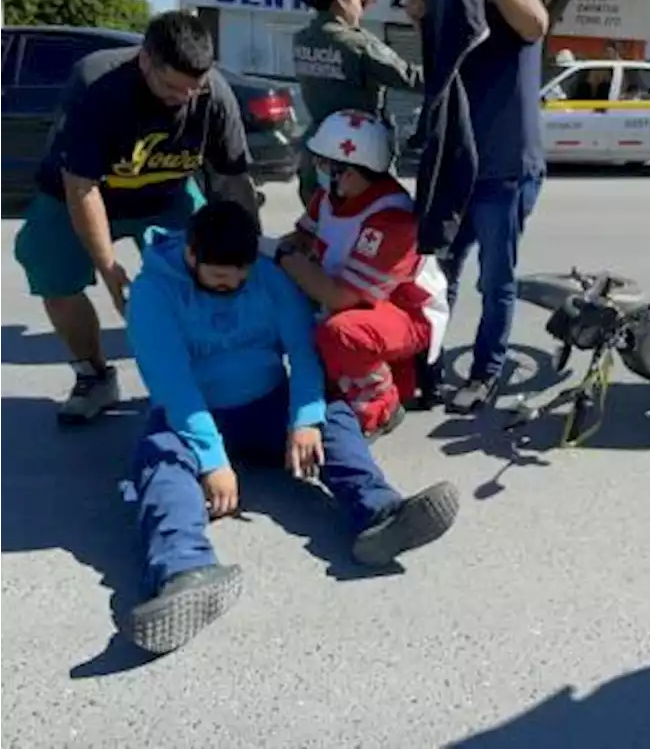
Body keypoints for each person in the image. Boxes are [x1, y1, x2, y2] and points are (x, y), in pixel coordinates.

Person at [124, 200, 460, 655]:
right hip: (192, 410)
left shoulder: (268, 274)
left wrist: (304, 420)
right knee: (160, 462)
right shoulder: (151, 293)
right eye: (219, 276)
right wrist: (213, 460)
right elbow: (174, 385)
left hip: (267, 402)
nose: (232, 284)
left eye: (240, 274)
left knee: (334, 417)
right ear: (190, 257)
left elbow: (303, 353)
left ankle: (380, 514)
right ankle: (185, 573)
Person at [13, 11, 260, 426]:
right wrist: (110, 271)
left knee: (204, 271)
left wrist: (245, 250)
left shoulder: (214, 93)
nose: (182, 99)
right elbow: (82, 187)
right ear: (146, 60)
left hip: (166, 196)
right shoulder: (97, 84)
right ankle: (94, 376)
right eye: (171, 87)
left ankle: (199, 375)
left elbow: (233, 179)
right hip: (80, 193)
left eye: (192, 90)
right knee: (52, 273)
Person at [433, 0, 550, 412]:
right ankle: (426, 365)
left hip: (505, 170)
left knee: (495, 280)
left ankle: (485, 373)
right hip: (459, 170)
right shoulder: (453, 2)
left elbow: (537, 22)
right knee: (440, 276)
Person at [276, 109, 450, 438]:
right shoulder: (331, 196)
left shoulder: (391, 220)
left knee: (339, 332)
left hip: (407, 313)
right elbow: (303, 237)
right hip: (363, 304)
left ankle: (381, 405)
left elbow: (339, 297)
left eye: (329, 166)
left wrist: (284, 259)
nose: (321, 171)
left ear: (354, 172)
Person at [292, 0, 428, 204]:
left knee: (322, 227)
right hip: (359, 155)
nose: (363, 2)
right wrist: (424, 25)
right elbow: (414, 79)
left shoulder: (302, 37)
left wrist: (352, 10)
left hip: (317, 151)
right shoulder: (357, 43)